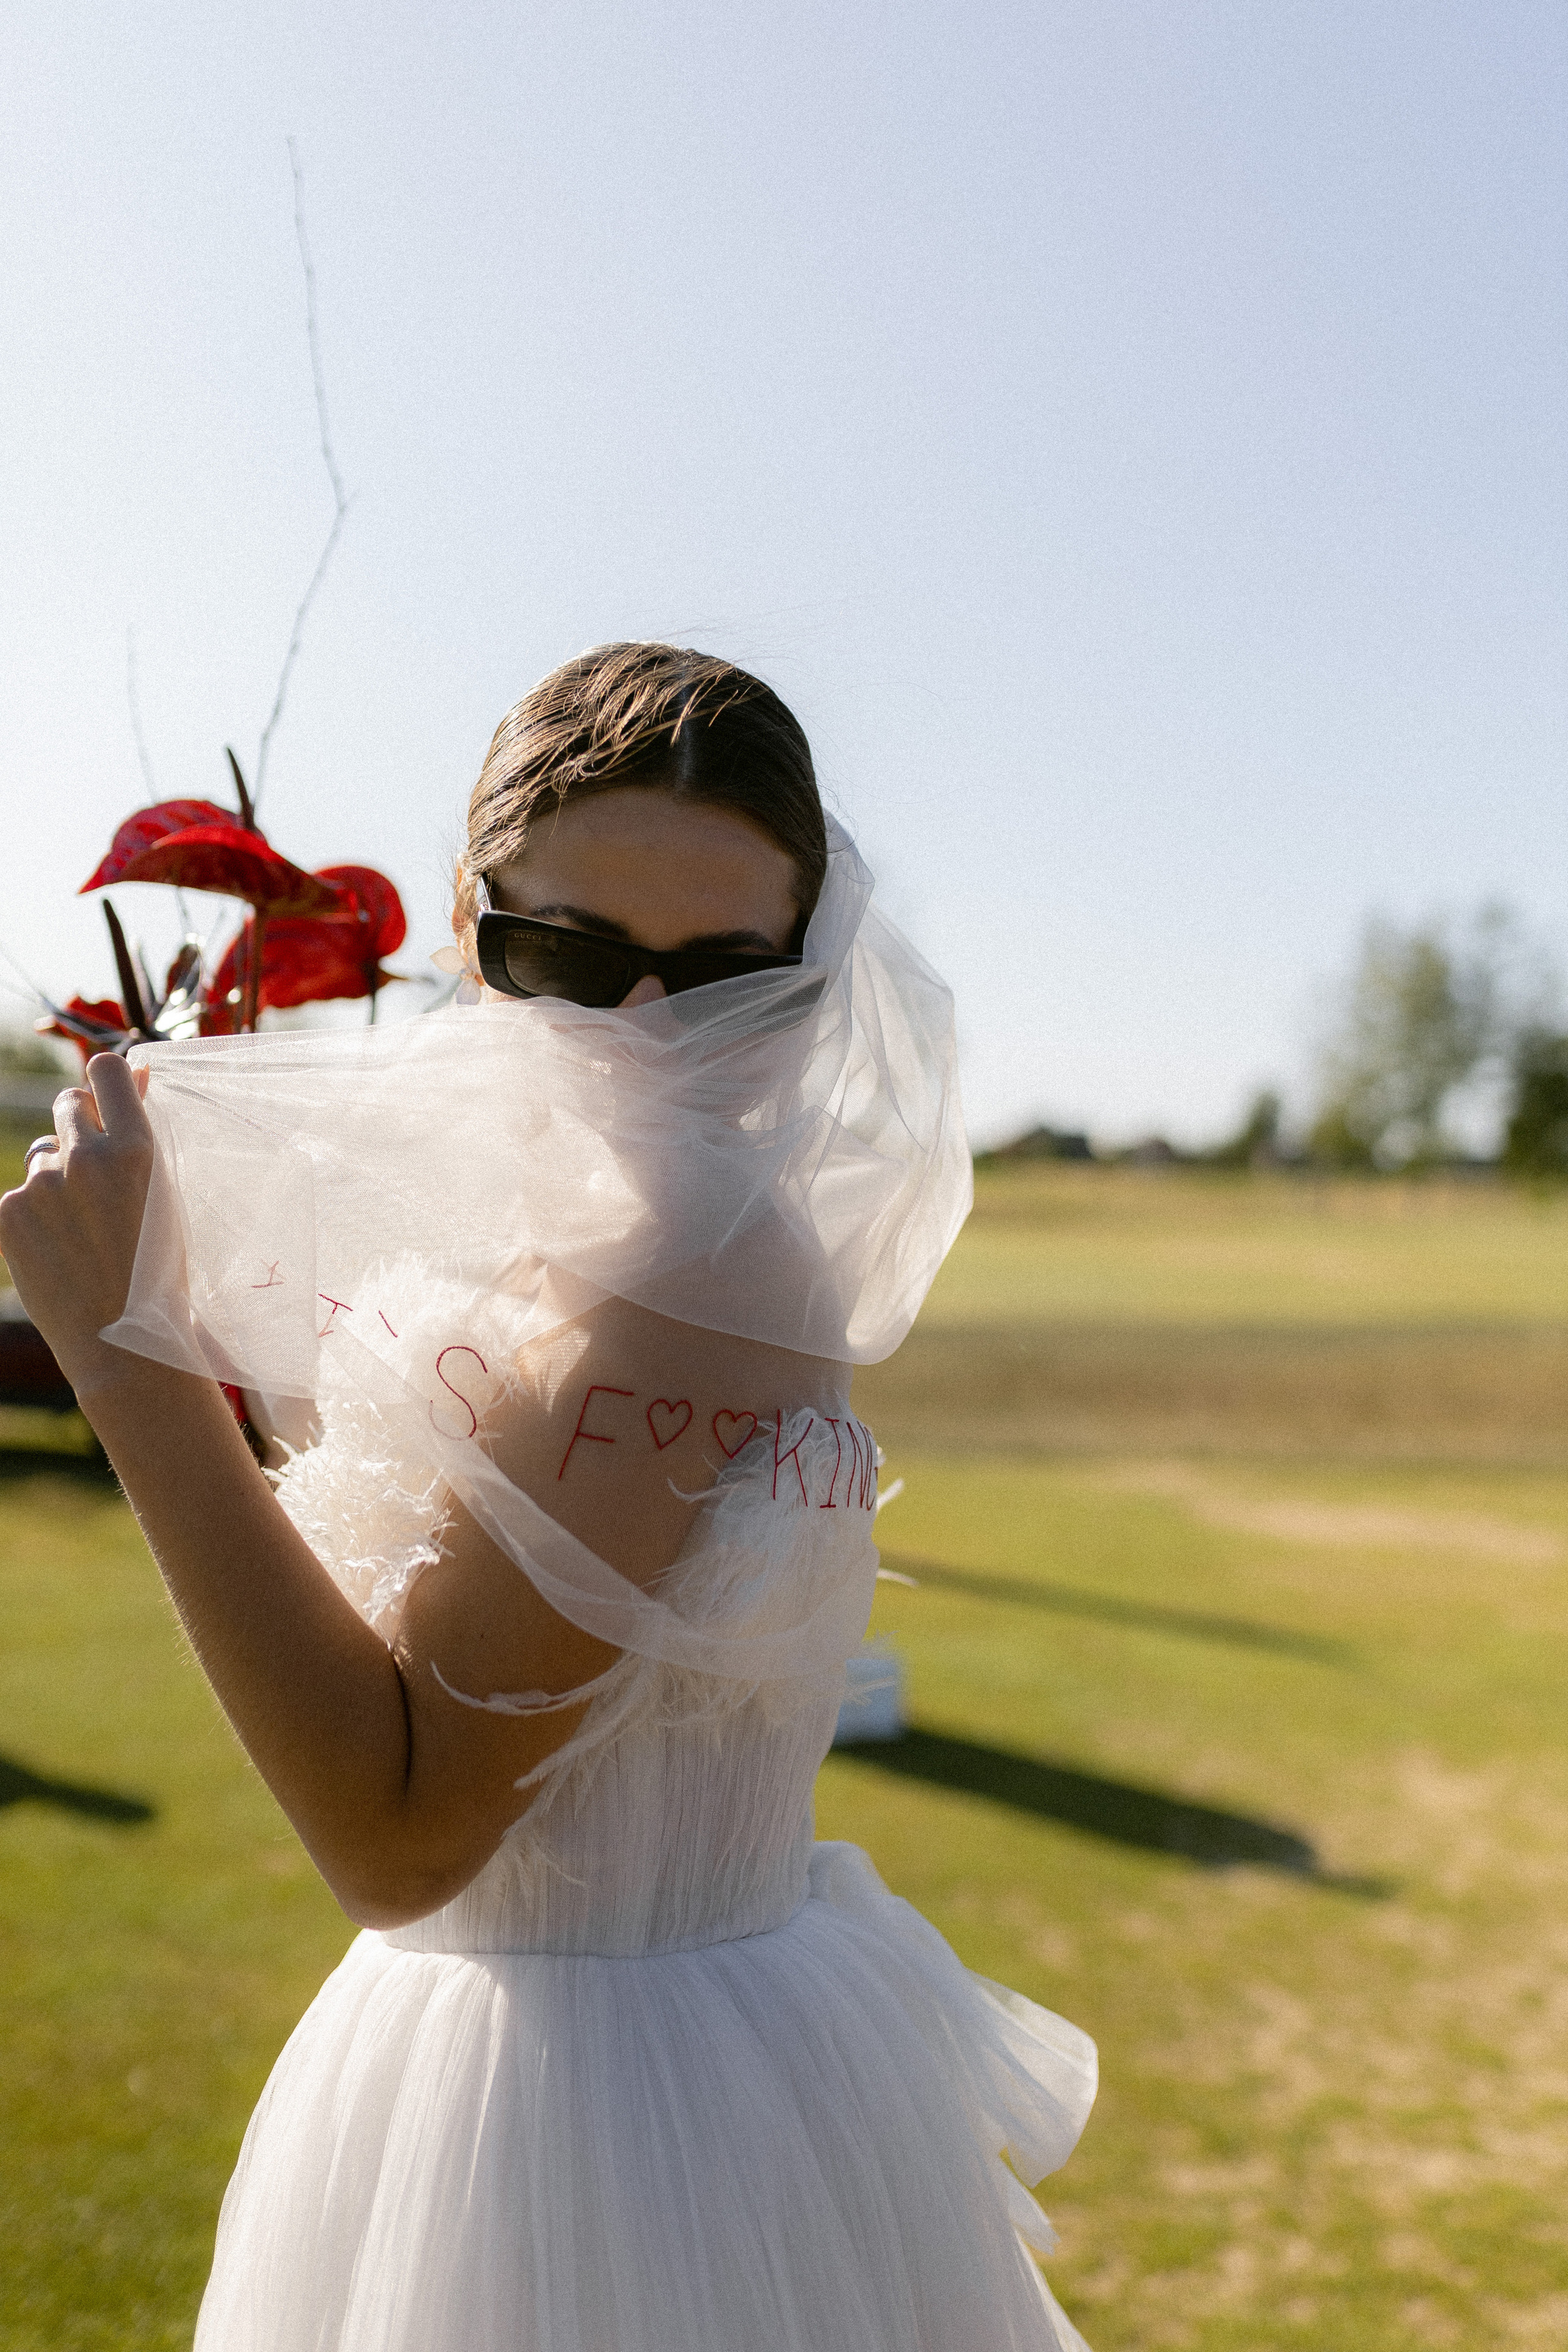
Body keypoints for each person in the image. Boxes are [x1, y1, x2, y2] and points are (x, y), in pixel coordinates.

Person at [0, 643, 1097, 2351]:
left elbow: (400, 1836)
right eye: (570, 958)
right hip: (584, 2046)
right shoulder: (550, 1233)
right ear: (471, 930)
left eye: (726, 978)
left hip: (605, 2121)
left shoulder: (694, 1268)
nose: (647, 1038)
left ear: (812, 970)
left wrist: (120, 1361)